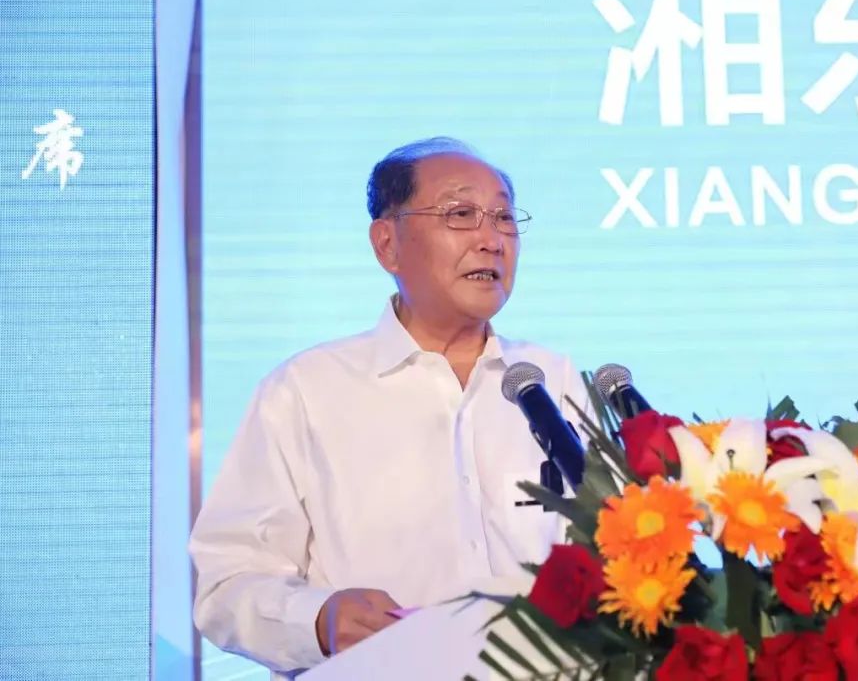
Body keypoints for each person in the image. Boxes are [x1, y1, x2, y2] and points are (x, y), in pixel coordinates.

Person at [189, 138, 592, 678]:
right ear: (387, 244)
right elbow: (226, 584)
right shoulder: (306, 391)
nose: (491, 240)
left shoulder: (553, 381)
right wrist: (318, 620)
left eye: (503, 217)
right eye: (461, 214)